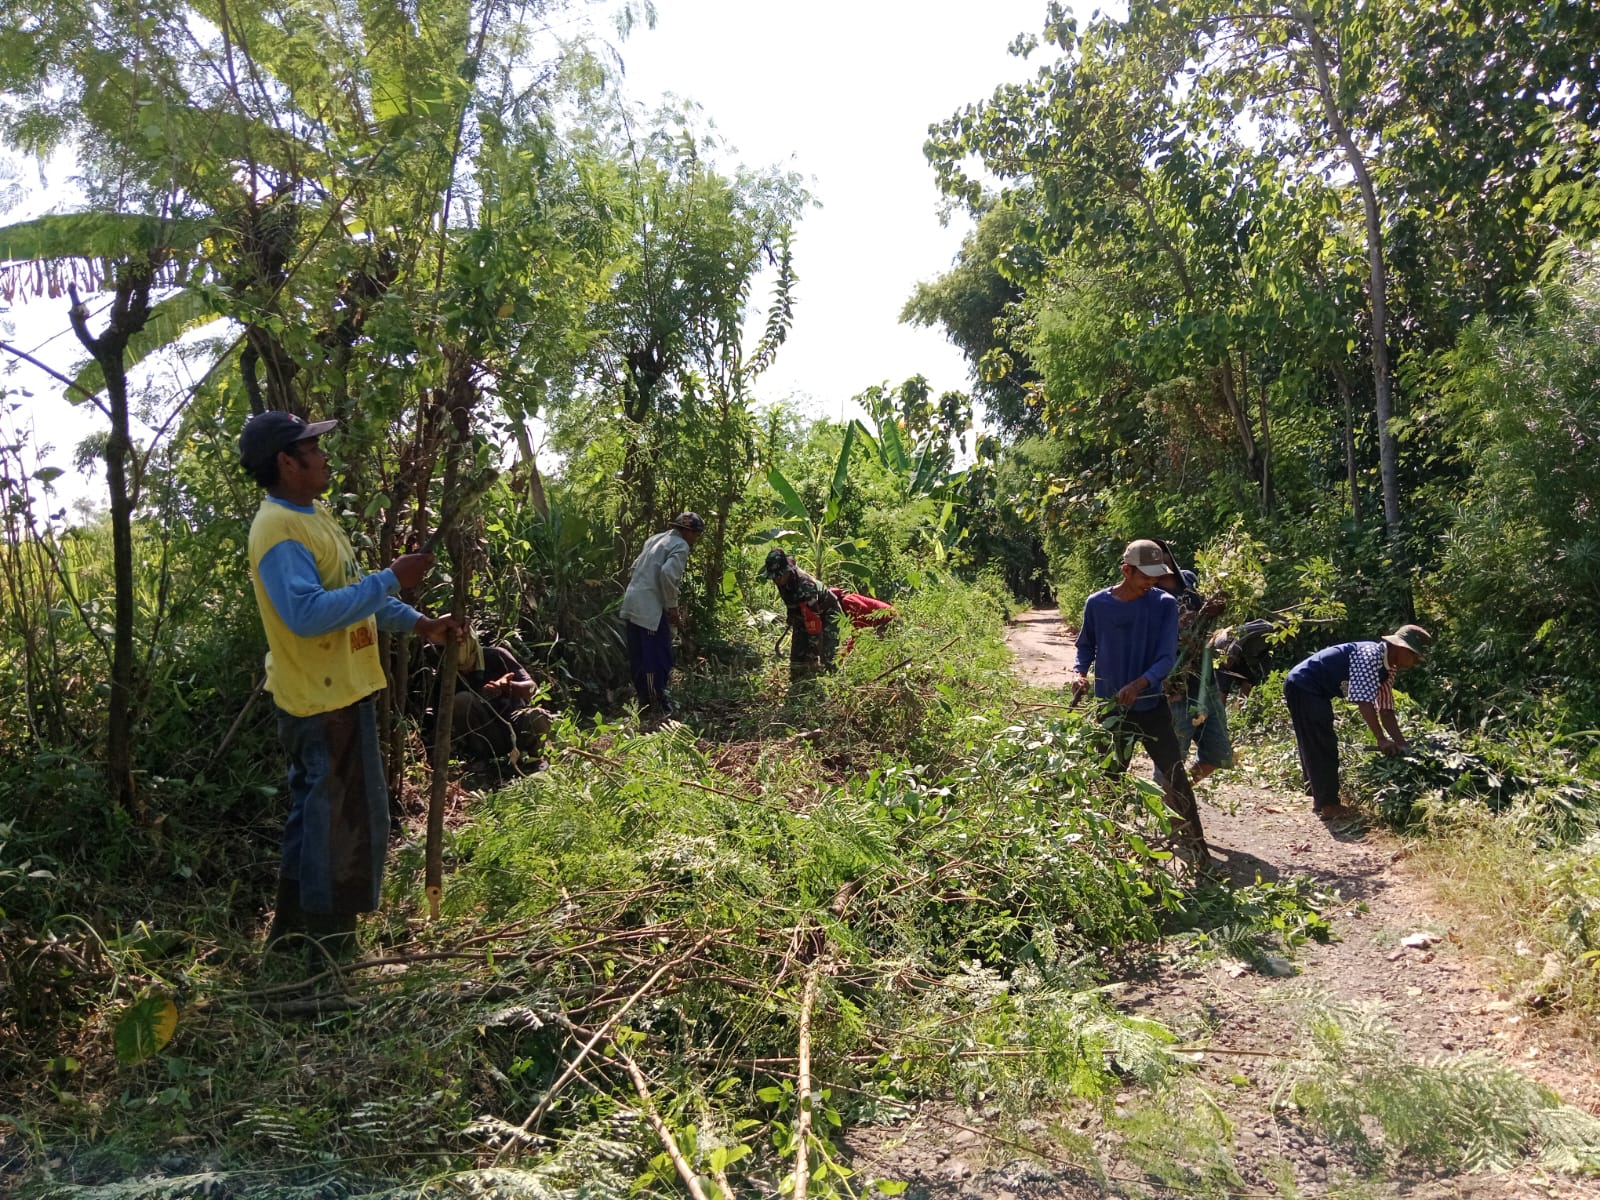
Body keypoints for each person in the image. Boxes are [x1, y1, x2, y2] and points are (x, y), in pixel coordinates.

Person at [241, 410, 463, 963]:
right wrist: (391, 577)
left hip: (336, 691)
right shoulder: (278, 530)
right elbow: (308, 615)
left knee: (316, 819)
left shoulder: (311, 517)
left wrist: (419, 623)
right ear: (286, 463)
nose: (324, 455)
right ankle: (327, 952)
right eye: (312, 448)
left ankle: (293, 941)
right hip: (322, 701)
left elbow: (353, 596)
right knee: (340, 826)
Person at [1069, 539, 1207, 856]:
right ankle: (1108, 851)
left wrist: (1141, 684)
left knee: (1176, 777)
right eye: (1145, 575)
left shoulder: (1163, 605)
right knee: (1109, 779)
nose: (1152, 582)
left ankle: (1201, 855)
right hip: (1111, 709)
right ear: (1127, 570)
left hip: (1151, 707)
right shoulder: (1097, 604)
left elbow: (1165, 657)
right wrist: (1079, 673)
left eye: (1156, 576)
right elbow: (1085, 645)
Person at [1282, 624, 1432, 818]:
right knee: (1322, 741)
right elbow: (1364, 702)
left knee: (1315, 738)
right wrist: (1380, 738)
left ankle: (1316, 792)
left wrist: (1403, 745)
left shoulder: (1389, 668)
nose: (1414, 662)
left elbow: (1385, 710)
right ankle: (1328, 805)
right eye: (1414, 657)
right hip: (1304, 684)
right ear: (1402, 648)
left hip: (1315, 690)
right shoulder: (1370, 656)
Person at [1153, 558, 1233, 786]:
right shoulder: (1147, 591)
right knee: (1170, 762)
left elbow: (1211, 622)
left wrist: (1216, 609)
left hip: (1204, 682)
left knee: (1219, 755)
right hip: (1173, 688)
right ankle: (1166, 810)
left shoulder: (1190, 581)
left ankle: (1180, 793)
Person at [620, 512, 704, 712]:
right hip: (649, 610)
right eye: (696, 534)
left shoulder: (656, 539)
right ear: (686, 531)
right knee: (655, 657)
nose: (696, 539)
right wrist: (672, 607)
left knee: (639, 655)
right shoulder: (680, 545)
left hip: (633, 601)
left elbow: (635, 567)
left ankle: (645, 700)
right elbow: (667, 573)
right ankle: (654, 701)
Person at [450, 637, 553, 768]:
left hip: (516, 725)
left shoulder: (497, 656)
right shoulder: (448, 669)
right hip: (487, 734)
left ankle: (537, 759)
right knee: (462, 700)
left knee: (538, 716)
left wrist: (508, 686)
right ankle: (480, 759)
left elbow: (532, 689)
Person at [764, 549, 844, 679]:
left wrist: (813, 654)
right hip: (804, 613)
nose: (775, 580)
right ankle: (798, 682)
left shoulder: (805, 587)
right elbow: (791, 602)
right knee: (797, 659)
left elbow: (814, 626)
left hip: (827, 613)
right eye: (773, 577)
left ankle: (828, 684)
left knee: (826, 657)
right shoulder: (781, 580)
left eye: (778, 576)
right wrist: (792, 615)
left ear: (786, 572)